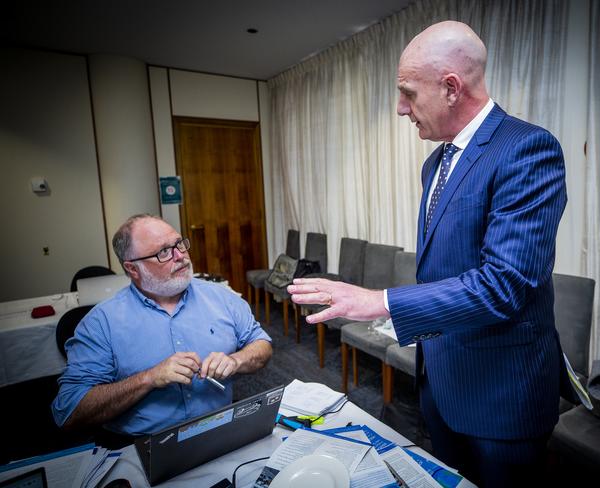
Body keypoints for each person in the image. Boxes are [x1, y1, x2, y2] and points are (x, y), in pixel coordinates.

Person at [289, 21, 571, 487]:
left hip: (501, 393)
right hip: (441, 379)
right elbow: (443, 270)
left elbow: (505, 286)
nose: (401, 109)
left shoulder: (527, 150)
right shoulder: (435, 163)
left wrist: (380, 301)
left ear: (451, 88)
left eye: (407, 93)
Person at [52, 214, 272, 436]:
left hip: (220, 429)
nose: (180, 256)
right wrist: (148, 379)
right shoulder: (102, 323)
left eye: (179, 244)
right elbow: (69, 410)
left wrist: (236, 361)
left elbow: (262, 345)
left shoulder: (221, 297)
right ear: (133, 269)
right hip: (143, 445)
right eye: (163, 252)